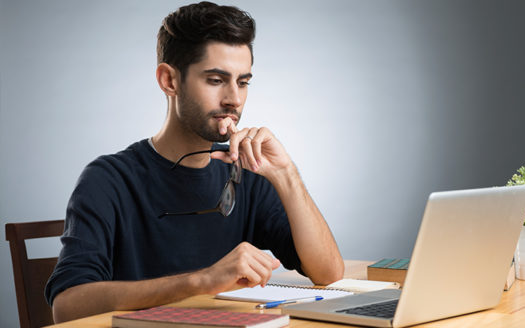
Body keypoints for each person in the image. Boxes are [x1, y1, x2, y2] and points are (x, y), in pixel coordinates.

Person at [45, 1, 344, 323]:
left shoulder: (247, 174)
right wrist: (202, 281)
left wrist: (286, 175)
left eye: (243, 82)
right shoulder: (109, 179)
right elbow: (66, 305)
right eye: (216, 80)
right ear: (169, 81)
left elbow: (329, 274)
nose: (235, 99)